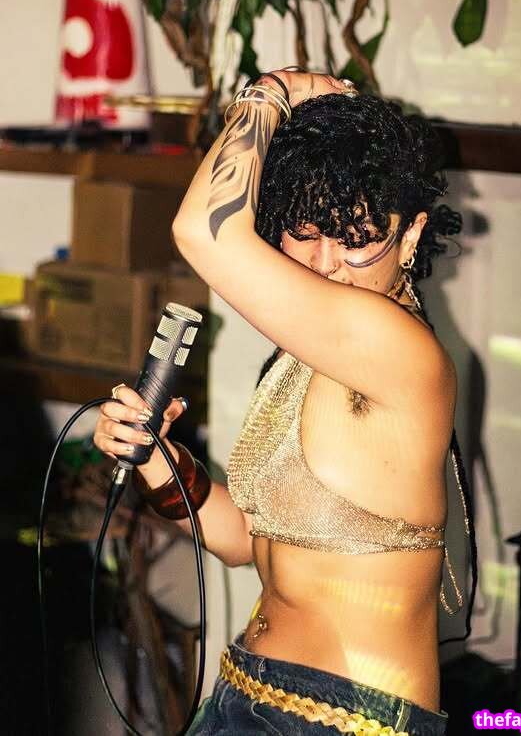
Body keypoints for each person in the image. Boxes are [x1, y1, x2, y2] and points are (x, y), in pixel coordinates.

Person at [93, 69, 477, 736]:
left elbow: (203, 231)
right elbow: (245, 541)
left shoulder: (396, 346)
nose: (325, 262)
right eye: (304, 229)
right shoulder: (307, 359)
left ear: (412, 234)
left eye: (356, 236)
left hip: (343, 719)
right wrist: (158, 459)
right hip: (246, 692)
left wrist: (267, 92)